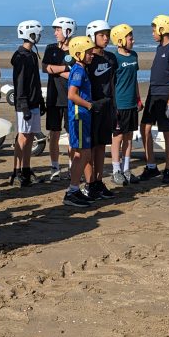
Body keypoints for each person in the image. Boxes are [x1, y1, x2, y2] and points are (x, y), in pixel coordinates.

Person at [140, 14, 169, 184]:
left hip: (165, 95)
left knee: (167, 132)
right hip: (152, 93)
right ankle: (151, 166)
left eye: (154, 30)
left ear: (162, 29)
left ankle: (168, 169)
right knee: (144, 128)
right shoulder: (159, 48)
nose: (152, 33)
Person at [85, 20, 117, 200]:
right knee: (89, 147)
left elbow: (113, 83)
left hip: (107, 106)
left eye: (107, 34)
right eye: (102, 35)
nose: (106, 38)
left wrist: (114, 106)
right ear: (92, 36)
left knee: (101, 146)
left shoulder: (110, 58)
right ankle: (89, 183)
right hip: (91, 107)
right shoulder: (87, 58)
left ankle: (98, 181)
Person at [63, 35, 96, 208]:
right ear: (78, 53)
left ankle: (74, 189)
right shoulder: (78, 71)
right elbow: (72, 94)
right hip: (79, 116)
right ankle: (72, 191)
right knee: (81, 154)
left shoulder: (82, 69)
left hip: (83, 116)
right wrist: (89, 105)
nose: (91, 55)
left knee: (84, 154)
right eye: (89, 52)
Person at [42, 17, 76, 180]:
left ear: (67, 30)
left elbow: (74, 74)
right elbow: (44, 68)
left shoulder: (76, 49)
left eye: (57, 29)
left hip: (70, 98)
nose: (55, 33)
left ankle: (72, 167)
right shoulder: (50, 48)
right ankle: (54, 168)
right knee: (53, 134)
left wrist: (55, 70)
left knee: (72, 135)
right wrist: (64, 68)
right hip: (54, 98)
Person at [11, 20, 45, 187]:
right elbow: (20, 82)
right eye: (38, 33)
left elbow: (35, 81)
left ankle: (26, 169)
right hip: (23, 104)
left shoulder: (32, 54)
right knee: (22, 137)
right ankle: (17, 171)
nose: (39, 37)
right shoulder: (20, 57)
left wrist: (40, 100)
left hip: (33, 102)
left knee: (31, 136)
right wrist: (23, 105)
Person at [110, 23, 141, 186]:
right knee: (118, 137)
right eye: (130, 38)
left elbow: (135, 80)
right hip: (119, 104)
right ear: (120, 40)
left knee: (129, 137)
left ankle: (126, 169)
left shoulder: (134, 56)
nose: (133, 40)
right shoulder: (114, 58)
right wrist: (113, 105)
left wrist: (138, 98)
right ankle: (116, 170)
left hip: (131, 104)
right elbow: (112, 83)